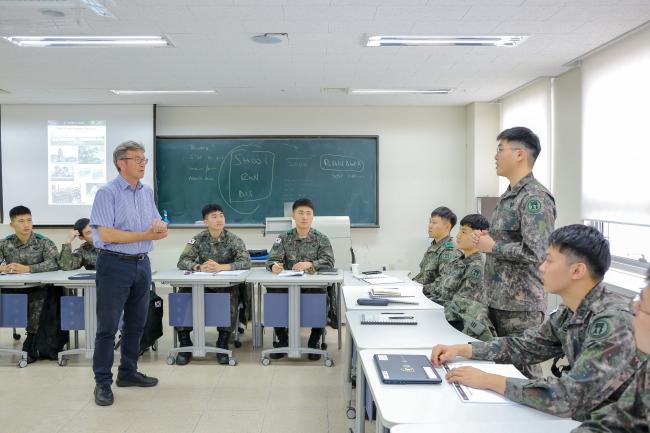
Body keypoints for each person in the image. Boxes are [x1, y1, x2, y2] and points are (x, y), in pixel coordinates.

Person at [431, 225, 640, 421]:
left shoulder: (614, 321)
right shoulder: (570, 311)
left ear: (577, 271)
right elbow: (526, 346)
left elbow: (567, 398)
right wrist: (463, 349)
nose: (541, 267)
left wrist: (489, 380)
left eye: (549, 260)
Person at [472, 126, 556, 377]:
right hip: (498, 300)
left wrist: (494, 246)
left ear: (520, 154)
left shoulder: (535, 197)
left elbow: (538, 251)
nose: (495, 156)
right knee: (502, 372)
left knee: (525, 374)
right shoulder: (509, 195)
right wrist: (488, 240)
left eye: (500, 150)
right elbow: (509, 241)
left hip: (521, 307)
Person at [90, 140, 168, 407]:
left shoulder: (146, 192)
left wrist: (160, 227)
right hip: (114, 264)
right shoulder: (107, 192)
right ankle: (102, 382)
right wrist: (146, 234)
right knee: (108, 327)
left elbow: (157, 225)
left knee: (136, 323)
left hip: (141, 264)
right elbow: (106, 234)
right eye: (137, 159)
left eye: (144, 159)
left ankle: (128, 372)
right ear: (121, 163)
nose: (143, 163)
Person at [572, 268, 650, 432]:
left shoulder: (613, 318)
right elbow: (617, 423)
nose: (633, 308)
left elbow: (570, 396)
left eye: (641, 303)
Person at [175, 203, 252, 365]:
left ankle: (222, 342)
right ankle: (185, 342)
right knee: (181, 295)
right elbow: (182, 261)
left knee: (231, 295)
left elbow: (245, 262)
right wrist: (199, 267)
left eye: (221, 215)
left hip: (225, 286)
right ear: (205, 222)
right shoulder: (197, 239)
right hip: (201, 284)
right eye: (214, 216)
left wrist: (221, 267)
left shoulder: (233, 239)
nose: (219, 219)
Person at [265, 197, 335, 361]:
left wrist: (310, 264)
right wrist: (274, 266)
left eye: (308, 213)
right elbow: (271, 260)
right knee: (274, 294)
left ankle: (314, 341)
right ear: (293, 216)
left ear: (312, 217)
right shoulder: (283, 238)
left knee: (318, 297)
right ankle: (282, 340)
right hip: (287, 286)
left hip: (313, 286)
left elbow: (329, 262)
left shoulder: (321, 238)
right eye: (300, 213)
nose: (304, 217)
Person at [0, 205, 59, 363]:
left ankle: (32, 344)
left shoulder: (43, 242)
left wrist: (28, 268)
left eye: (29, 220)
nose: (26, 224)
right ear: (12, 224)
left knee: (39, 298)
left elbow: (55, 263)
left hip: (37, 289)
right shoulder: (5, 243)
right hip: (11, 289)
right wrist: (3, 267)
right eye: (21, 221)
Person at [428, 213, 496, 341]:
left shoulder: (476, 267)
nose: (458, 236)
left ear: (479, 235)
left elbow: (461, 307)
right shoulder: (459, 261)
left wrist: (430, 311)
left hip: (458, 325)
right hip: (444, 317)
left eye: (464, 232)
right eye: (459, 231)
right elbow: (439, 288)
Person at [412, 206, 462, 298]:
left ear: (447, 226)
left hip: (434, 300)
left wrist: (416, 288)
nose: (429, 225)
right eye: (430, 222)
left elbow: (444, 285)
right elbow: (423, 277)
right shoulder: (434, 247)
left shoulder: (449, 251)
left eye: (434, 222)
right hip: (422, 295)